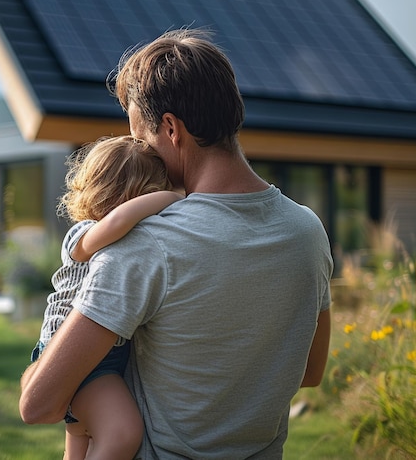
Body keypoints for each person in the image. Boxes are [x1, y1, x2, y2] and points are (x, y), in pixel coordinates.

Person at [20, 28, 334, 459]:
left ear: (170, 128)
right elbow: (311, 371)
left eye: (140, 140)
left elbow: (37, 405)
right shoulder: (308, 232)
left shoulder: (146, 242)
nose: (137, 153)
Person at [31, 135, 183, 460]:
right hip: (73, 357)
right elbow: (117, 221)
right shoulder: (81, 233)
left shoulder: (125, 238)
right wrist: (174, 197)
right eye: (153, 191)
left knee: (79, 448)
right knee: (122, 434)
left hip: (104, 358)